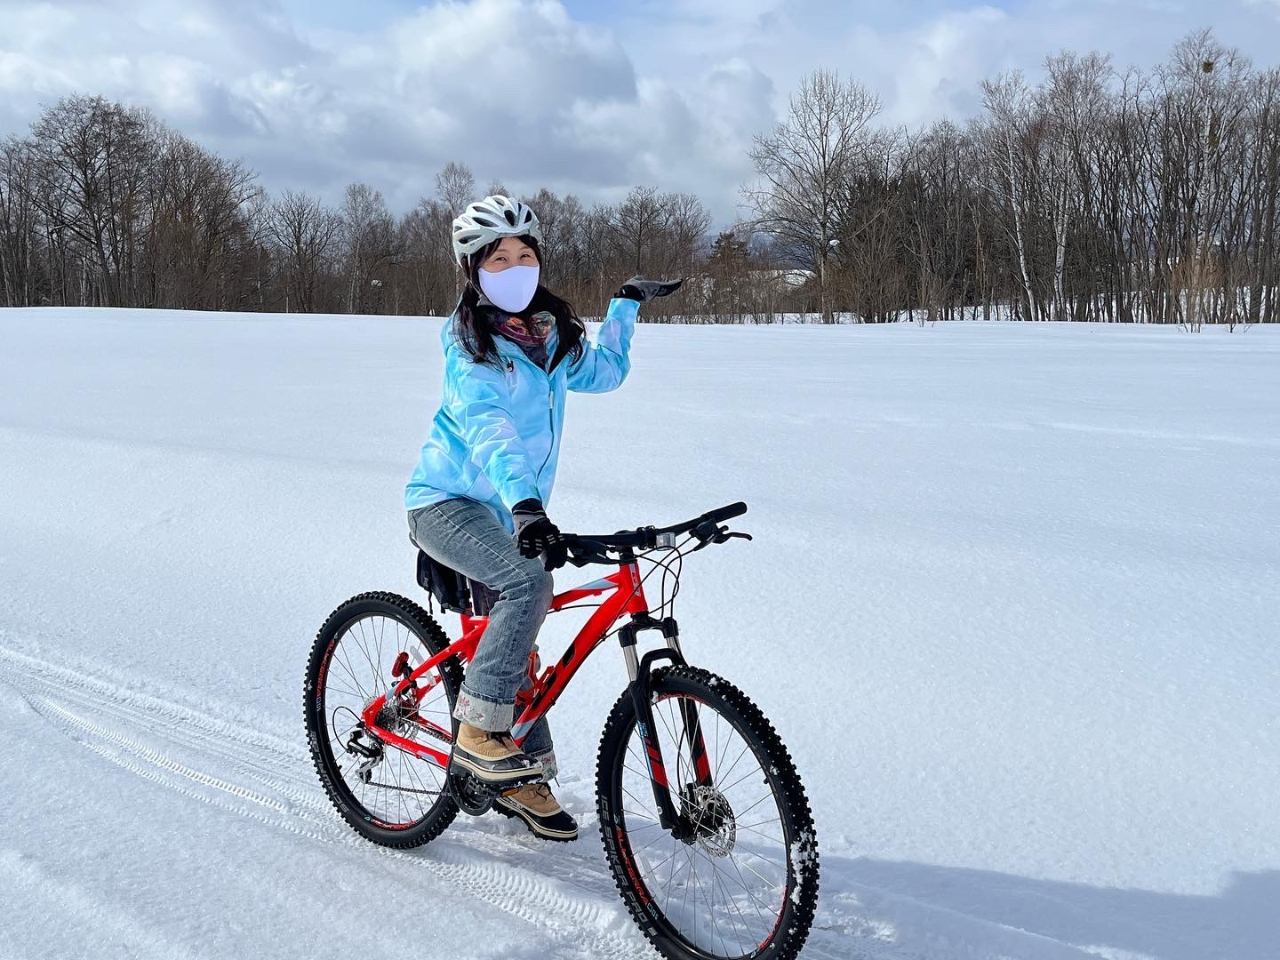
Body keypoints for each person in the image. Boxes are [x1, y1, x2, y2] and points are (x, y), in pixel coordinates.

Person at [405, 195, 681, 841]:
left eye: (524, 255)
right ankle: (477, 733)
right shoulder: (469, 345)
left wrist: (625, 305)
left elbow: (606, 374)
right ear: (473, 271)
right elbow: (490, 428)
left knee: (518, 637)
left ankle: (518, 776)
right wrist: (527, 505)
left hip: (514, 508)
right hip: (447, 502)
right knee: (528, 586)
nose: (514, 267)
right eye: (498, 259)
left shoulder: (551, 336)